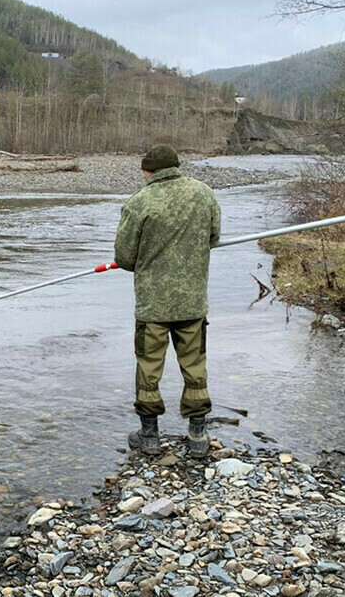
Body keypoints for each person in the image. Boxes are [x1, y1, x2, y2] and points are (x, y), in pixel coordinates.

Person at [113, 145, 221, 458]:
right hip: (192, 302)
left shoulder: (139, 201)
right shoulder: (204, 194)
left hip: (152, 306)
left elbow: (123, 257)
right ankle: (198, 436)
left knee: (149, 367)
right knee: (194, 364)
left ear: (150, 170)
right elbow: (213, 237)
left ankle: (149, 436)